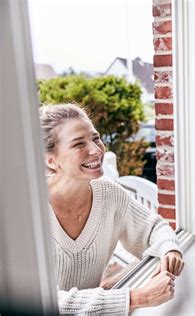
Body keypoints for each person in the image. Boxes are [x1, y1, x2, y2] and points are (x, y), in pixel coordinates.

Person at [39, 103, 185, 314]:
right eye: (79, 144)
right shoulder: (27, 210)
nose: (96, 150)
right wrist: (136, 298)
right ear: (50, 160)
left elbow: (153, 228)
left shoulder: (108, 193)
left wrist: (170, 249)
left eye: (95, 138)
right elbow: (40, 301)